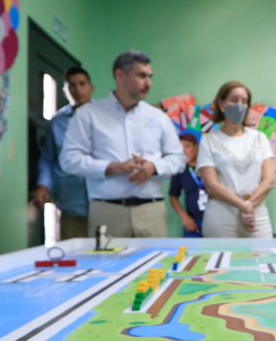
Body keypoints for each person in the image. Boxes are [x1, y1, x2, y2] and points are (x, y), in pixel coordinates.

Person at [60, 51, 185, 238]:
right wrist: (112, 168)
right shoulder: (88, 114)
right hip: (107, 211)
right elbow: (69, 160)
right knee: (107, 267)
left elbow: (179, 158)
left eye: (149, 76)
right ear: (120, 75)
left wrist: (154, 167)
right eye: (141, 76)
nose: (148, 83)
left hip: (152, 211)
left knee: (156, 266)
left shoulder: (158, 117)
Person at [196, 81, 275, 239]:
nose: (239, 105)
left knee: (262, 259)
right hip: (221, 213)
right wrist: (243, 207)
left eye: (244, 101)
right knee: (220, 262)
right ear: (221, 103)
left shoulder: (260, 138)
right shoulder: (209, 141)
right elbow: (211, 185)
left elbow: (269, 180)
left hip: (256, 212)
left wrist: (249, 206)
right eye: (234, 100)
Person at [32, 67, 95, 239]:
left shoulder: (106, 118)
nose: (78, 89)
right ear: (65, 91)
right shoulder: (56, 123)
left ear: (91, 88)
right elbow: (48, 158)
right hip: (70, 202)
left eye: (82, 84)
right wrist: (43, 186)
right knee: (74, 257)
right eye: (71, 85)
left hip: (104, 202)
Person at [169, 130, 206, 238]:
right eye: (180, 148)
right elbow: (173, 196)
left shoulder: (209, 166)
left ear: (197, 147)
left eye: (187, 146)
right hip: (193, 224)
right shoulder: (181, 170)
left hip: (215, 221)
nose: (184, 151)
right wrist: (185, 217)